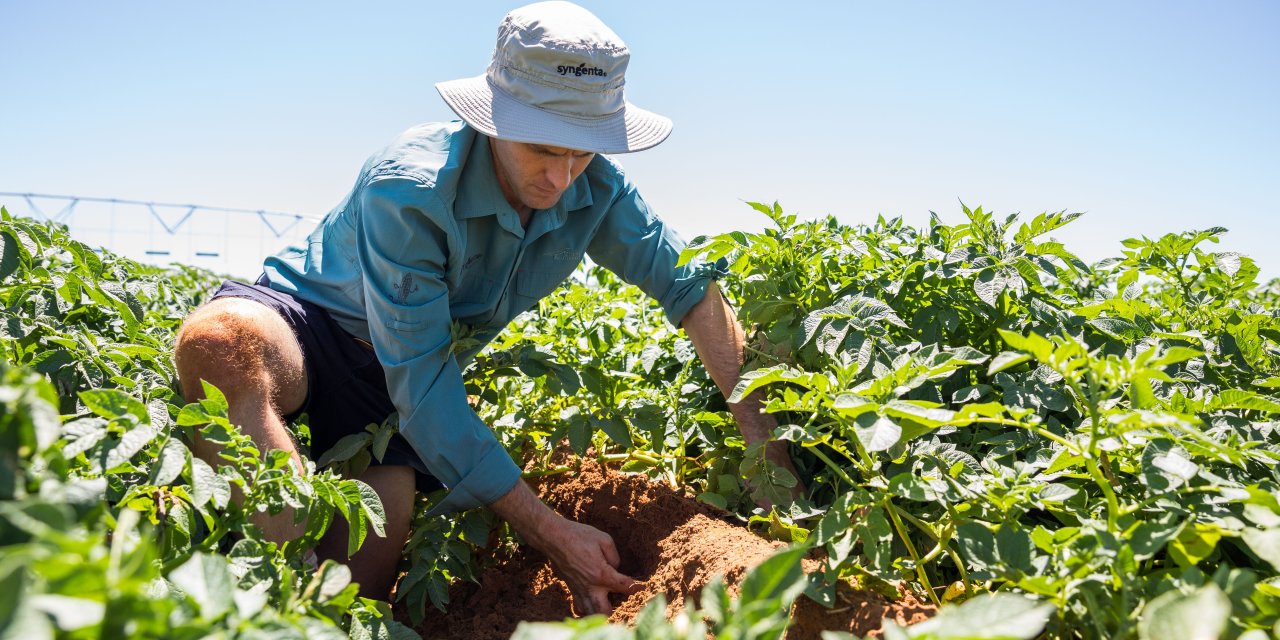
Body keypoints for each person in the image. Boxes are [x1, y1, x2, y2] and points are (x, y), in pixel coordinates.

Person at [173, 0, 797, 616]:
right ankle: (268, 584)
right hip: (309, 325)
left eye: (582, 151)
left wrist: (763, 446)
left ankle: (311, 598)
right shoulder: (411, 186)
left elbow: (691, 289)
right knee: (221, 345)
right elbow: (423, 380)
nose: (562, 178)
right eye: (543, 150)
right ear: (493, 122)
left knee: (355, 594)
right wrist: (552, 532)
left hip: (384, 400)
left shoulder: (597, 188)